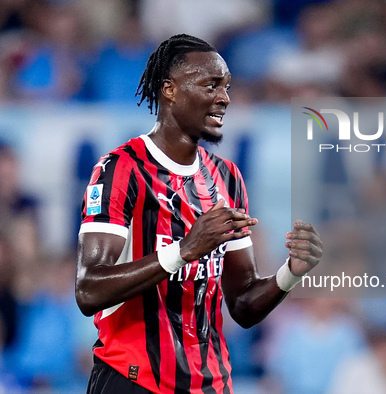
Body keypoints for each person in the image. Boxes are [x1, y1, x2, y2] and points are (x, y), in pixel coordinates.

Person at [74, 33, 323, 394]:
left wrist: (290, 273)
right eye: (210, 85)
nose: (224, 98)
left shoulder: (228, 178)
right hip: (133, 380)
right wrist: (184, 250)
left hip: (210, 385)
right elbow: (89, 290)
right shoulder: (120, 169)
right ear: (169, 90)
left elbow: (242, 304)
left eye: (227, 87)